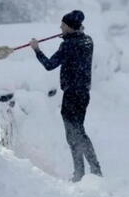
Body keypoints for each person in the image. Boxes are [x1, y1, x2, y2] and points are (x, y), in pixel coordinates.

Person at [30, 10, 102, 182]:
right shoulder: (87, 41)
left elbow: (49, 65)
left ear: (70, 27)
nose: (60, 27)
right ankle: (91, 170)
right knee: (79, 132)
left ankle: (82, 172)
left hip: (71, 95)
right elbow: (75, 45)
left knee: (73, 135)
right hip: (83, 94)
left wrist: (36, 50)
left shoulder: (69, 45)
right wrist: (66, 37)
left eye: (63, 25)